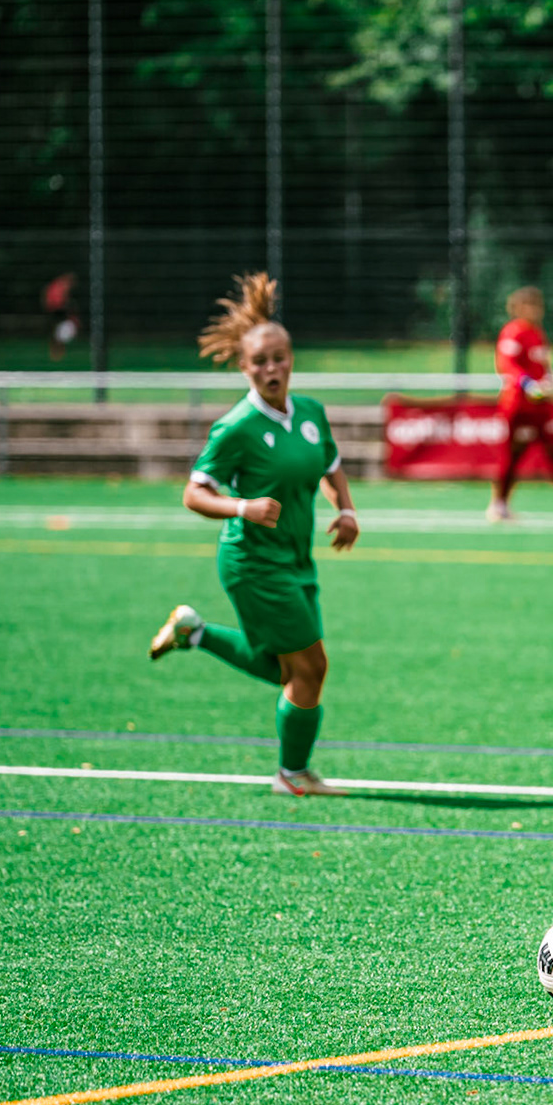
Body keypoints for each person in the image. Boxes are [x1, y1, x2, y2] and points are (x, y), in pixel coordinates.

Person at [148, 272, 360, 796]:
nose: (271, 368)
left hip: (297, 559)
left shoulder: (310, 413)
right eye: (260, 361)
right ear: (244, 367)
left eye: (279, 358)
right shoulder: (237, 427)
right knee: (310, 668)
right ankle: (292, 775)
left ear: (291, 360)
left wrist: (347, 510)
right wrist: (242, 507)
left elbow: (330, 465)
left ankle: (194, 632)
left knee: (289, 670)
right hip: (253, 563)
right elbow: (194, 493)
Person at [489, 285, 553, 522]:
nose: (537, 310)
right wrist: (527, 384)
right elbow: (506, 364)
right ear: (519, 307)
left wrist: (550, 377)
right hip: (517, 406)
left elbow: (542, 365)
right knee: (512, 455)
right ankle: (498, 504)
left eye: (538, 305)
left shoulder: (537, 332)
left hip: (539, 406)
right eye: (531, 305)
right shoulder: (513, 332)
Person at [44, 273, 80, 362]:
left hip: (54, 309)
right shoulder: (63, 285)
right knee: (58, 334)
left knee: (56, 334)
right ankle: (57, 353)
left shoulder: (56, 284)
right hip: (58, 310)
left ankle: (56, 352)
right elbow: (63, 300)